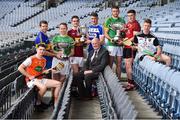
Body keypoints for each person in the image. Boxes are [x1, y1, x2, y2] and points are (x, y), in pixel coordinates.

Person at [18, 44, 61, 110]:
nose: (42, 51)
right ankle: (38, 103)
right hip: (31, 80)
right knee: (43, 87)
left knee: (58, 84)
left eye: (43, 50)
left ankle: (55, 102)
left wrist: (48, 70)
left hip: (39, 79)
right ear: (37, 50)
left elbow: (41, 71)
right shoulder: (31, 59)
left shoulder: (44, 60)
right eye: (40, 49)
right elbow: (20, 68)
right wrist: (29, 76)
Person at [50, 22, 74, 104]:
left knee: (62, 80)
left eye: (64, 28)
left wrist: (67, 55)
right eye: (61, 28)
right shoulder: (55, 38)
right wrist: (57, 53)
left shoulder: (70, 39)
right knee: (55, 80)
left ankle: (59, 99)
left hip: (65, 61)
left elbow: (72, 52)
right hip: (57, 61)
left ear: (67, 29)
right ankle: (53, 100)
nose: (62, 30)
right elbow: (52, 49)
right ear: (59, 29)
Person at [104, 6, 126, 80]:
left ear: (119, 11)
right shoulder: (108, 20)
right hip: (111, 45)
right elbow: (105, 33)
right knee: (110, 63)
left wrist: (122, 40)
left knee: (119, 64)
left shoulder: (122, 20)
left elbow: (124, 33)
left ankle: (118, 79)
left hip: (119, 45)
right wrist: (111, 39)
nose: (115, 12)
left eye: (116, 11)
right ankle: (109, 80)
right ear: (111, 12)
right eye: (114, 11)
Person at [123, 9, 141, 91]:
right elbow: (126, 35)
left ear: (135, 15)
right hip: (126, 47)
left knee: (129, 65)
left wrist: (125, 42)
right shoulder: (127, 24)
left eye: (131, 15)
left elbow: (135, 38)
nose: (130, 17)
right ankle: (129, 82)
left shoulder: (136, 24)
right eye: (128, 16)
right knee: (127, 65)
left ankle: (131, 84)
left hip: (131, 47)